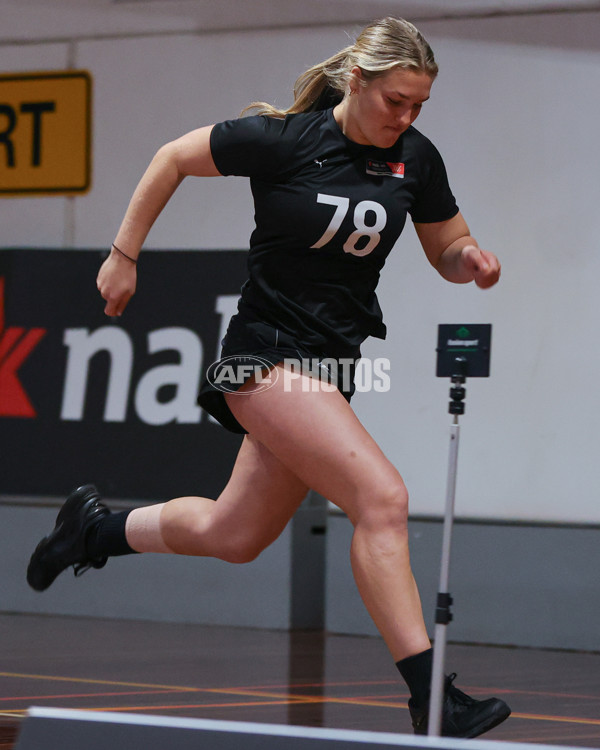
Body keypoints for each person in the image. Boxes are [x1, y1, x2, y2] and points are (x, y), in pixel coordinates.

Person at [27, 17, 510, 737]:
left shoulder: (416, 158)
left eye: (419, 106)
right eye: (395, 101)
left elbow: (446, 243)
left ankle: (95, 531)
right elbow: (171, 158)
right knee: (383, 499)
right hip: (263, 357)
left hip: (330, 366)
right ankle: (431, 698)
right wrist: (124, 253)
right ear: (358, 81)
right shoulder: (286, 141)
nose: (406, 117)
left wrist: (468, 260)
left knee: (236, 532)